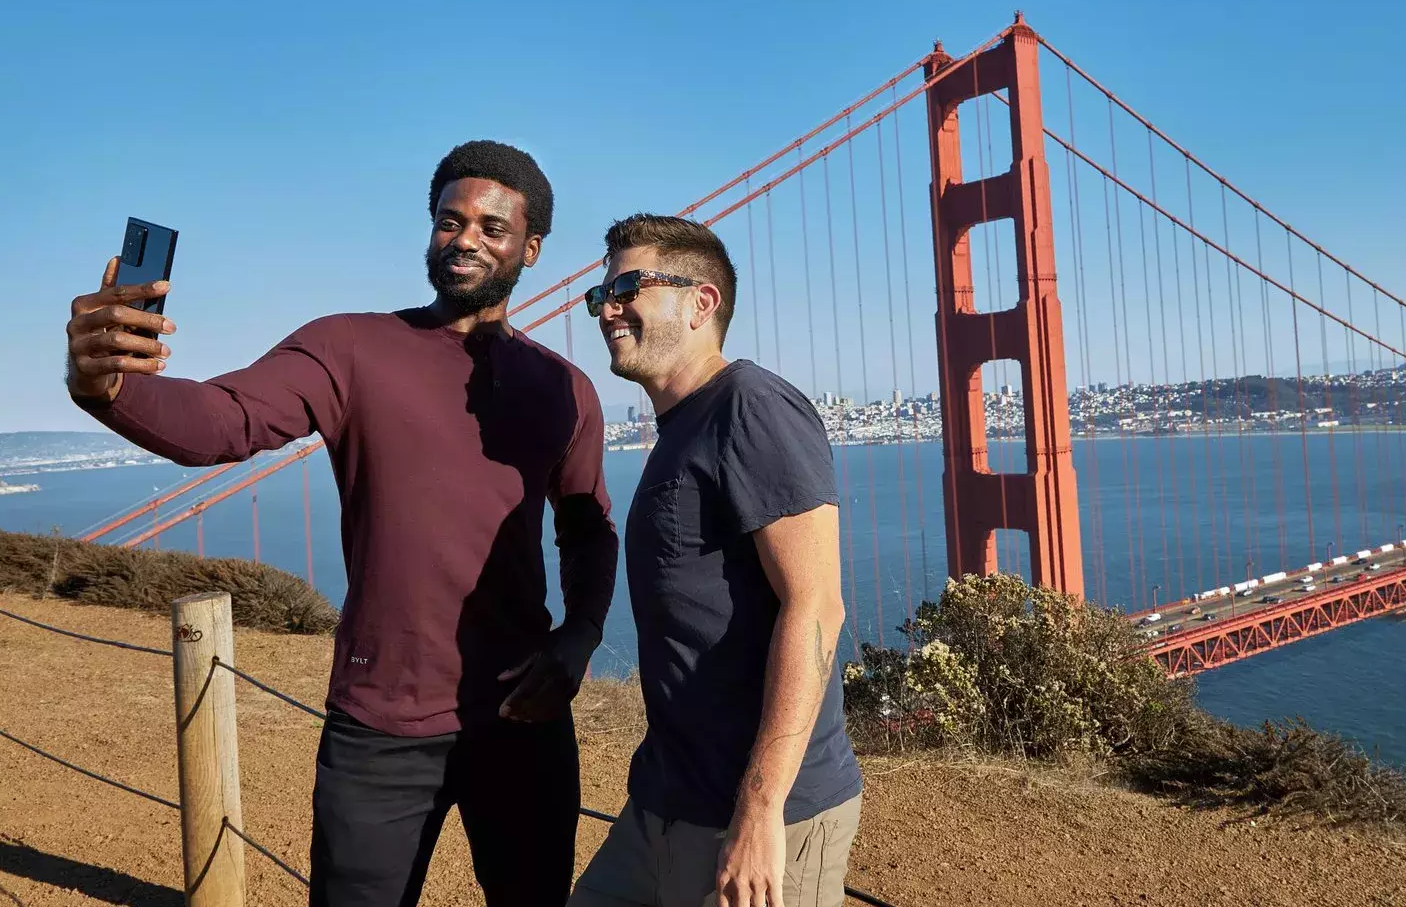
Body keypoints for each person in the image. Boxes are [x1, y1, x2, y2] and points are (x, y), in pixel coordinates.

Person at [63, 141, 618, 906]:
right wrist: (106, 383)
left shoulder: (566, 389)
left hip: (523, 719)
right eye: (448, 221)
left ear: (531, 249)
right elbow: (225, 419)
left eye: (492, 228)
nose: (464, 238)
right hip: (380, 728)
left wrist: (578, 640)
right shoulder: (350, 346)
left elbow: (588, 528)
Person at [570, 214, 862, 907]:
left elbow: (816, 605)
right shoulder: (683, 425)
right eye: (598, 296)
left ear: (703, 302)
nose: (605, 309)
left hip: (760, 814)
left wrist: (760, 812)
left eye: (627, 287)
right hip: (667, 801)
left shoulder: (752, 407)